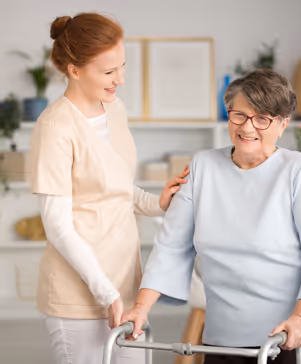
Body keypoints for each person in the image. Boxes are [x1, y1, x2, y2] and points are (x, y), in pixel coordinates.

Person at [122, 69, 301, 364]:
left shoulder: (299, 170)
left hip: (293, 334)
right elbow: (171, 246)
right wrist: (141, 308)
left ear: (282, 125)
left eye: (263, 118)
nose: (248, 127)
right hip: (224, 338)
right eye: (239, 115)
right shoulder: (203, 167)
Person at [29, 12, 189, 364]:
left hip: (125, 284)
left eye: (122, 66)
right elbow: (57, 225)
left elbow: (115, 186)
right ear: (74, 70)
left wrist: (155, 202)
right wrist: (107, 294)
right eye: (108, 71)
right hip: (80, 296)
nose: (121, 78)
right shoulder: (54, 127)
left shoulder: (115, 110)